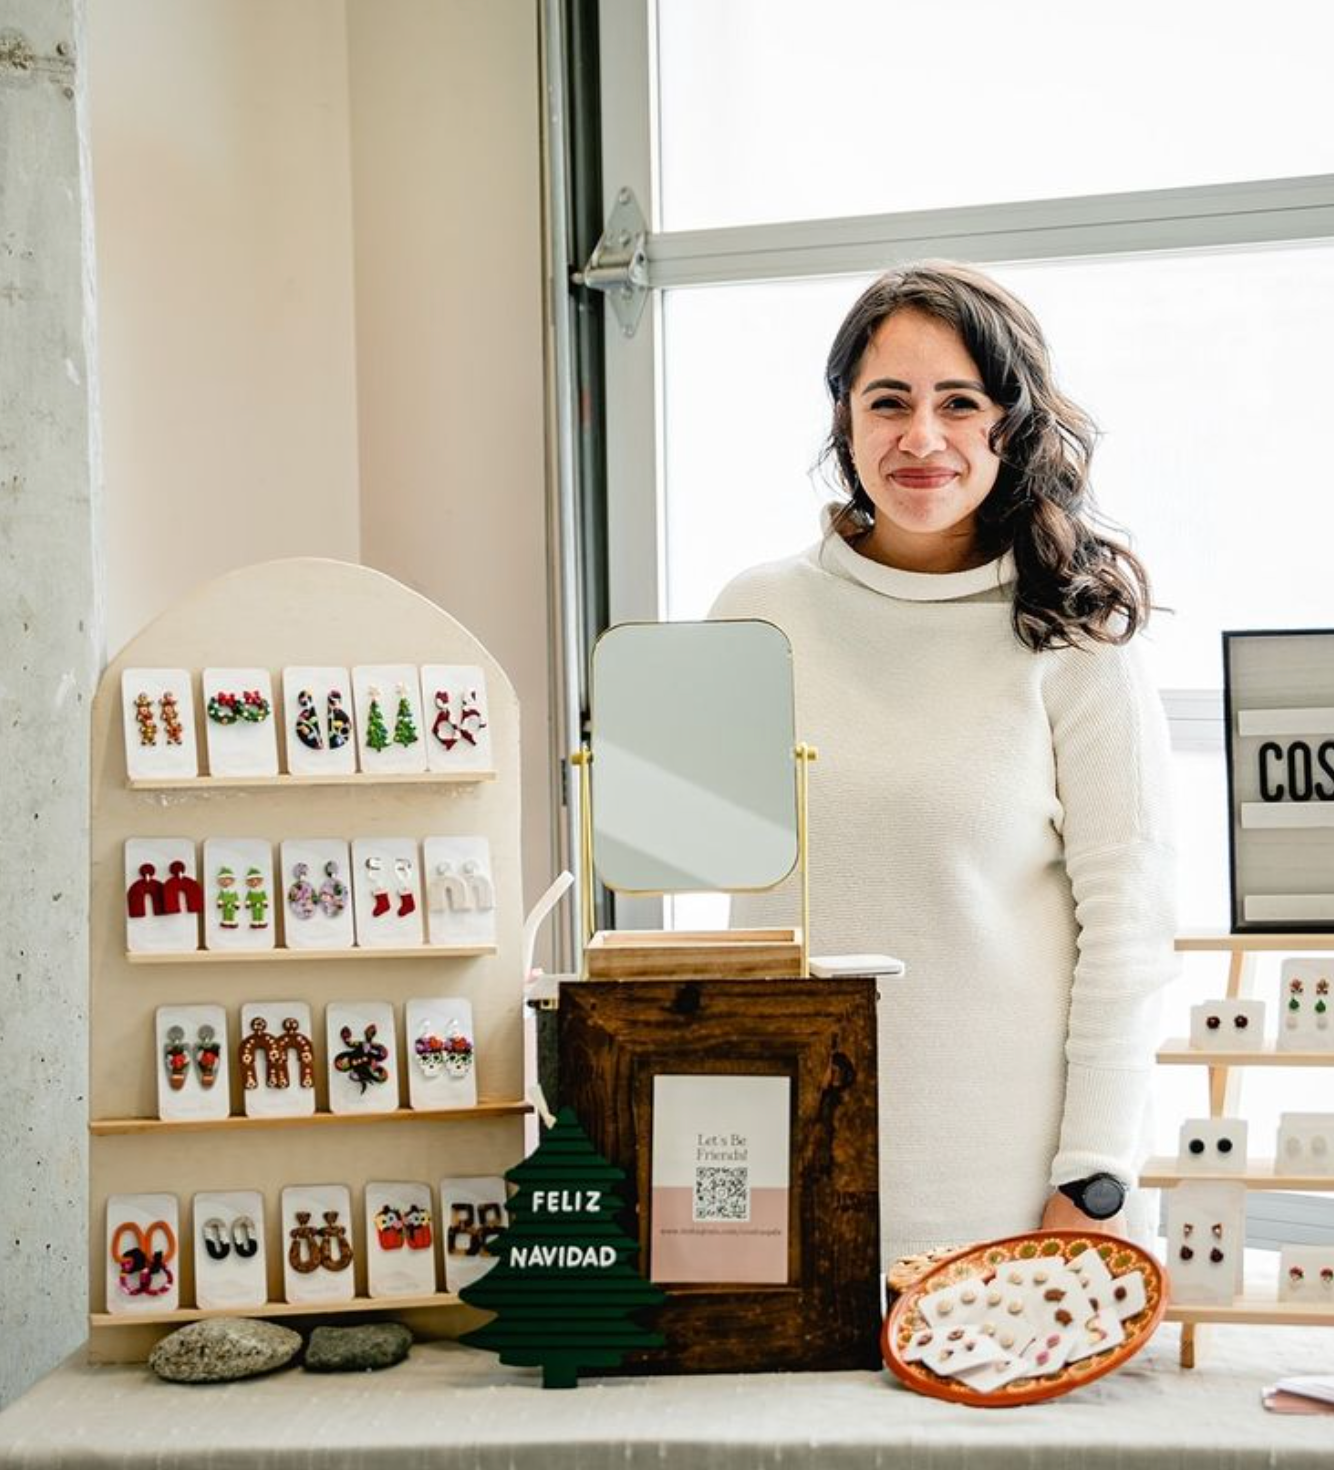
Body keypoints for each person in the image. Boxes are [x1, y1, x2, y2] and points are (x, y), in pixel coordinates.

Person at [709, 260, 1178, 1267]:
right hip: (778, 1192)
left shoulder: (1076, 638)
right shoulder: (753, 617)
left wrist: (1091, 1181)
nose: (920, 438)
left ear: (1010, 425)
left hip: (1007, 1206)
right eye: (888, 402)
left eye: (957, 403)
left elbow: (1128, 934)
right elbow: (714, 913)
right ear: (844, 419)